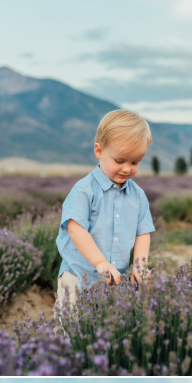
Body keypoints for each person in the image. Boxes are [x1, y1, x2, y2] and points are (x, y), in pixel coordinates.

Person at [56, 110, 155, 308]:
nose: (127, 169)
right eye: (120, 161)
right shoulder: (84, 191)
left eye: (135, 162)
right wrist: (100, 262)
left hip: (115, 282)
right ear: (99, 151)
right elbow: (76, 230)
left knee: (106, 332)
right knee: (72, 331)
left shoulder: (138, 195)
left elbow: (143, 232)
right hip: (77, 278)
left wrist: (139, 264)